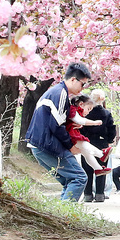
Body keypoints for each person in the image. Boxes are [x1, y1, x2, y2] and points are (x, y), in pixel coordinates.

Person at [24, 61, 93, 201]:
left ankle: (61, 215)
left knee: (69, 180)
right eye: (83, 84)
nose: (83, 88)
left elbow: (55, 121)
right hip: (47, 145)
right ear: (73, 79)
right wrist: (70, 146)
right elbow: (56, 126)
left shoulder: (56, 92)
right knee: (79, 177)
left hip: (39, 145)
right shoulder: (60, 93)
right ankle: (66, 216)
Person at [79, 90, 118, 202]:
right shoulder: (106, 113)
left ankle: (87, 194)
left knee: (87, 169)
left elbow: (81, 127)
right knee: (101, 169)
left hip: (87, 142)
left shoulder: (86, 113)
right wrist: (109, 140)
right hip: (102, 144)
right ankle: (100, 194)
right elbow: (112, 129)